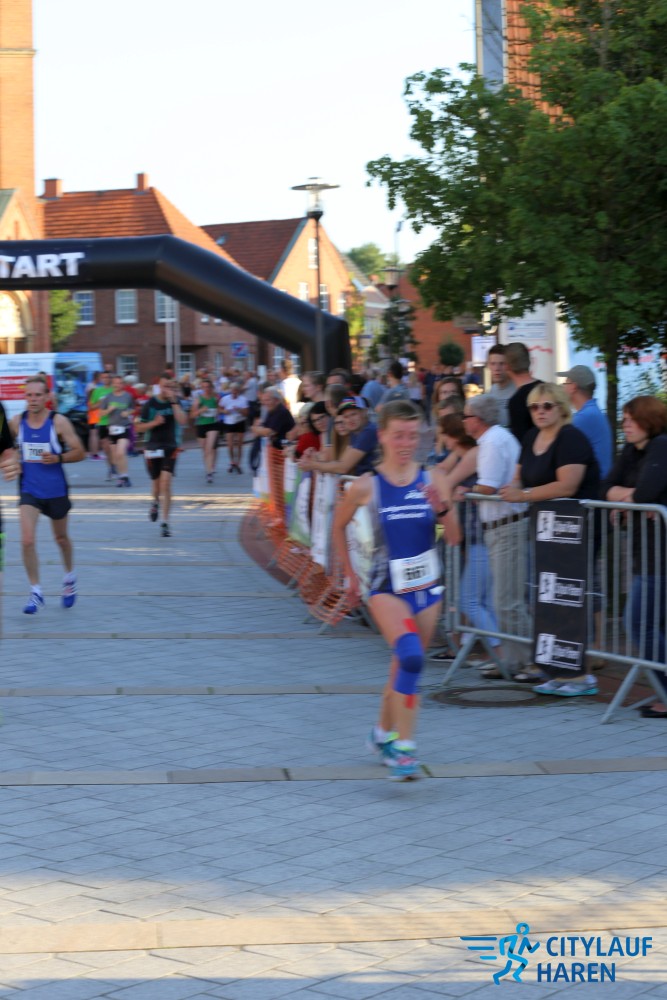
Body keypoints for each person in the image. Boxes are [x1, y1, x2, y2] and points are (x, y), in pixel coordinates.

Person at [332, 400, 450, 780]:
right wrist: (350, 577)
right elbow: (337, 526)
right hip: (386, 588)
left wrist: (442, 512)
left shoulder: (434, 478)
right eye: (398, 435)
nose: (406, 443)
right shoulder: (366, 485)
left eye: (413, 436)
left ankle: (382, 733)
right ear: (381, 435)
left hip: (427, 588)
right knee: (412, 657)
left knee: (403, 665)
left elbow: (454, 536)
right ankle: (404, 749)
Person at [499, 381, 600, 695]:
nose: (539, 412)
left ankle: (580, 676)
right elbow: (519, 476)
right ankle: (556, 670)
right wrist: (515, 489)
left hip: (575, 531)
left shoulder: (571, 437)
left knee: (571, 600)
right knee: (548, 601)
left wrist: (524, 495)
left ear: (560, 407)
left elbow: (567, 485)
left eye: (546, 406)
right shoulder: (531, 437)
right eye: (534, 407)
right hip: (545, 531)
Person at [459, 394, 532, 679]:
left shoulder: (491, 441)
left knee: (508, 600)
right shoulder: (496, 438)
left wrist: (465, 491)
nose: (463, 421)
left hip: (506, 526)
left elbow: (488, 487)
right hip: (504, 525)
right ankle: (514, 661)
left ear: (477, 420)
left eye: (466, 416)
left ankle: (528, 661)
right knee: (504, 599)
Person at [603, 395, 667, 718]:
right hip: (646, 552)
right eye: (624, 419)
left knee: (638, 622)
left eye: (631, 419)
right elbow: (605, 486)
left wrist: (631, 499)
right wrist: (631, 498)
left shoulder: (661, 446)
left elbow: (646, 492)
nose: (625, 425)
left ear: (648, 421)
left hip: (660, 555)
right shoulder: (632, 450)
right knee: (652, 624)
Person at [9, 375, 85, 613]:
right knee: (27, 540)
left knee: (61, 539)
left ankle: (69, 578)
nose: (33, 399)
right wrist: (13, 458)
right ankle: (36, 592)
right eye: (29, 395)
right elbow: (7, 447)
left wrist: (58, 457)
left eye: (38, 395)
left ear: (47, 397)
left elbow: (80, 451)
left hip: (55, 490)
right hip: (29, 489)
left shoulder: (58, 422)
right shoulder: (16, 422)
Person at [135, 374, 187, 538]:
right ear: (159, 386)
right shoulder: (150, 404)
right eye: (165, 386)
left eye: (170, 387)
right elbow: (138, 428)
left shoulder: (175, 402)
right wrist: (154, 423)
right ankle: (155, 502)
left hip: (170, 447)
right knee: (156, 484)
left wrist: (174, 402)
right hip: (152, 447)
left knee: (166, 483)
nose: (167, 390)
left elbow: (183, 421)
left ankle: (165, 522)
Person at [556, 364, 613, 479]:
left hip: (594, 485)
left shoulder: (584, 417)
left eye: (565, 383)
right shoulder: (592, 412)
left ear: (573, 387)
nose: (563, 388)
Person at [299, 397, 379, 477]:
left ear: (365, 412)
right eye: (346, 417)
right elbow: (340, 462)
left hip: (373, 482)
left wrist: (313, 465)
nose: (350, 420)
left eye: (353, 414)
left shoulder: (369, 431)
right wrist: (314, 457)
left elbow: (343, 467)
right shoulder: (356, 431)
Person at [99, 375, 135, 487]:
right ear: (112, 384)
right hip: (112, 429)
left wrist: (127, 413)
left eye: (119, 383)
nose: (117, 385)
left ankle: (125, 476)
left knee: (120, 452)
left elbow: (133, 408)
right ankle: (121, 477)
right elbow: (101, 413)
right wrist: (109, 410)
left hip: (124, 427)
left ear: (122, 384)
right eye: (115, 383)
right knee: (115, 457)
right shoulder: (108, 397)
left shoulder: (127, 396)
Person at [505, 342, 542, 444]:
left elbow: (521, 443)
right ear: (529, 362)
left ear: (507, 366)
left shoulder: (516, 402)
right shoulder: (548, 389)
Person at [191, 378, 220, 483]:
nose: (206, 389)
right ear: (201, 388)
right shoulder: (198, 400)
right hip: (201, 425)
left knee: (209, 448)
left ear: (211, 387)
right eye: (204, 387)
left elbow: (219, 409)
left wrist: (218, 411)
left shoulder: (215, 398)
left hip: (213, 425)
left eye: (208, 387)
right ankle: (208, 469)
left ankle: (209, 473)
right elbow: (192, 415)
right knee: (205, 451)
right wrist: (201, 410)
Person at [219, 380, 248, 474]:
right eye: (233, 390)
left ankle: (238, 463)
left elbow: (246, 413)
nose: (234, 392)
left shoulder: (243, 399)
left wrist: (239, 410)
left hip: (240, 421)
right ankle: (232, 462)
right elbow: (219, 409)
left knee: (239, 444)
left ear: (238, 391)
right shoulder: (225, 399)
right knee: (230, 444)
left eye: (236, 390)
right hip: (229, 422)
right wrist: (225, 411)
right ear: (230, 390)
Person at [88, 371, 114, 477]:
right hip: (102, 421)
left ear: (110, 378)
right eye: (104, 377)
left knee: (113, 447)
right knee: (106, 448)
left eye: (108, 377)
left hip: (114, 421)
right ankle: (111, 468)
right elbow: (91, 407)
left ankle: (115, 467)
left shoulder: (114, 389)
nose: (106, 379)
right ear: (101, 379)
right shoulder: (97, 391)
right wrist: (100, 403)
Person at [486, 344, 515, 429]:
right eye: (493, 364)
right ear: (488, 366)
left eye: (501, 364)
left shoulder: (517, 389)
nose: (497, 368)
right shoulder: (492, 390)